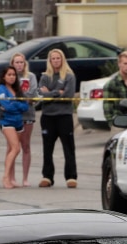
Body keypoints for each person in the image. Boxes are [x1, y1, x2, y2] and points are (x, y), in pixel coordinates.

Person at [37, 48, 77, 188]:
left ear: (62, 59)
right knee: (47, 148)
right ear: (49, 60)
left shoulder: (69, 76)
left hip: (64, 116)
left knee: (68, 147)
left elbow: (68, 96)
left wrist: (50, 94)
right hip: (48, 116)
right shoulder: (44, 77)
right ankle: (47, 176)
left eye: (58, 58)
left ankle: (71, 176)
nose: (55, 61)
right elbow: (41, 96)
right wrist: (56, 93)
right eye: (53, 58)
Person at [0, 66, 29, 189]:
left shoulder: (17, 89)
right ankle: (5, 177)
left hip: (19, 122)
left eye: (13, 75)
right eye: (9, 74)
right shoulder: (0, 89)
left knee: (11, 150)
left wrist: (14, 104)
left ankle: (10, 178)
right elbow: (6, 106)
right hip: (7, 121)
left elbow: (25, 107)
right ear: (4, 76)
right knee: (16, 148)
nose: (12, 77)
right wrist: (16, 105)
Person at [11, 52, 37, 187]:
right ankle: (12, 177)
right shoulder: (10, 77)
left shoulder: (30, 76)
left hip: (28, 114)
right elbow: (8, 93)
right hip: (12, 115)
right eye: (17, 62)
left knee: (25, 146)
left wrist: (21, 96)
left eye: (21, 62)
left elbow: (33, 93)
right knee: (13, 147)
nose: (19, 65)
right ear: (12, 64)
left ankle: (25, 178)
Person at [102, 50, 127, 125]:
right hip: (118, 123)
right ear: (119, 64)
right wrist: (113, 124)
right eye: (125, 63)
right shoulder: (111, 84)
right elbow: (107, 108)